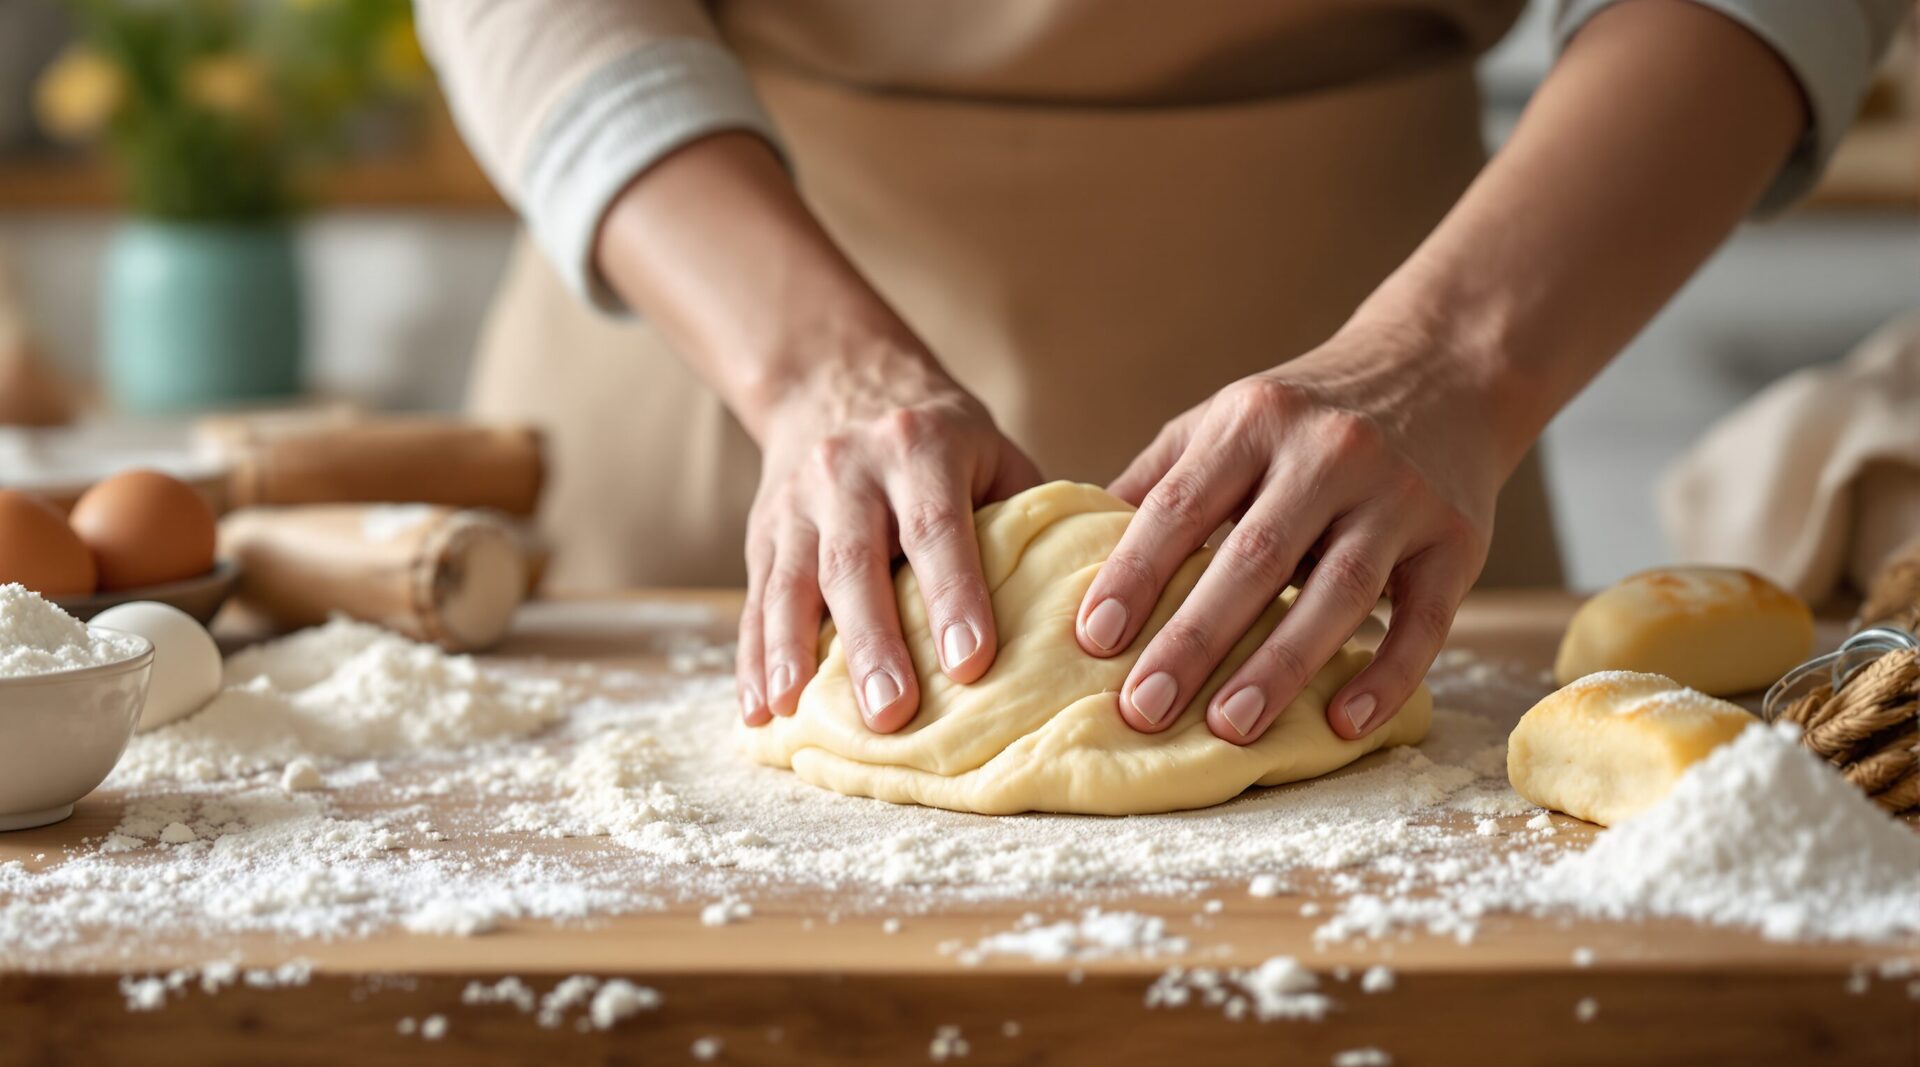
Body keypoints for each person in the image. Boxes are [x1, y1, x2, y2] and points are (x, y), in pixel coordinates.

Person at [420, 1, 1905, 746]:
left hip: (1402, 400)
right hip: (725, 325)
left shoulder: (1436, 375)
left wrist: (1449, 357)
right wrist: (812, 367)